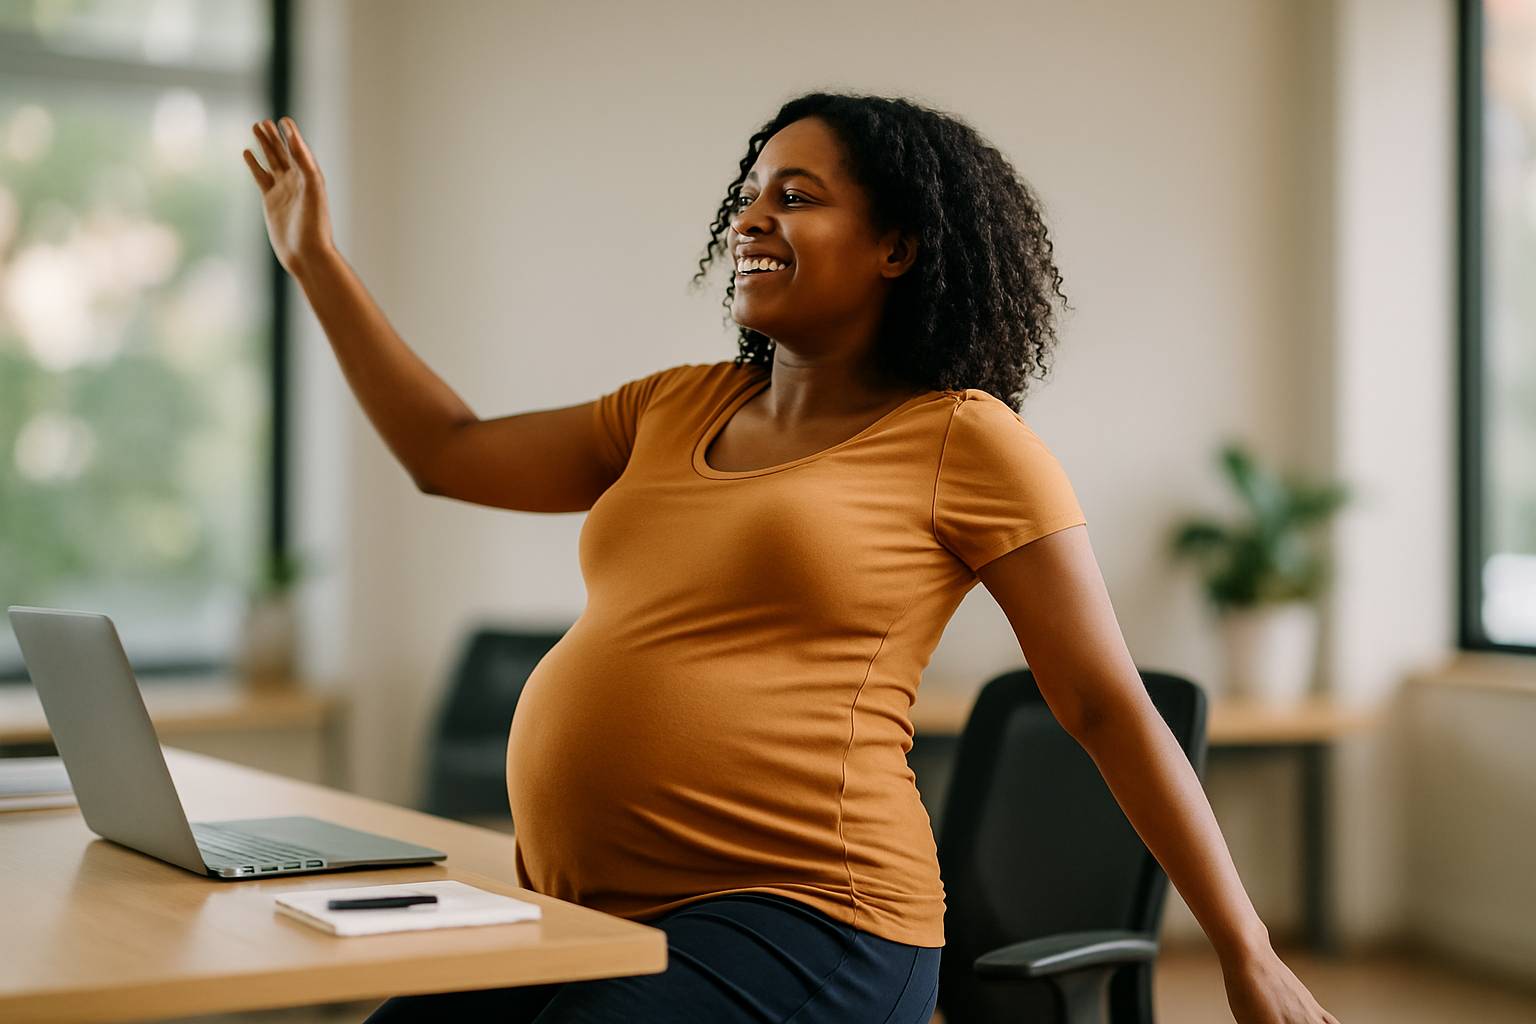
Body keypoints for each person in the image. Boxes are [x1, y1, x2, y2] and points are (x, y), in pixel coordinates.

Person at [243, 92, 1341, 1024]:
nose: (750, 219)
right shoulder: (675, 404)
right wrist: (317, 261)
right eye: (750, 195)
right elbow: (448, 453)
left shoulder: (964, 437)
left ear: (897, 247)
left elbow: (1104, 701)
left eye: (796, 196)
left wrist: (1247, 949)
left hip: (816, 919)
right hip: (600, 911)